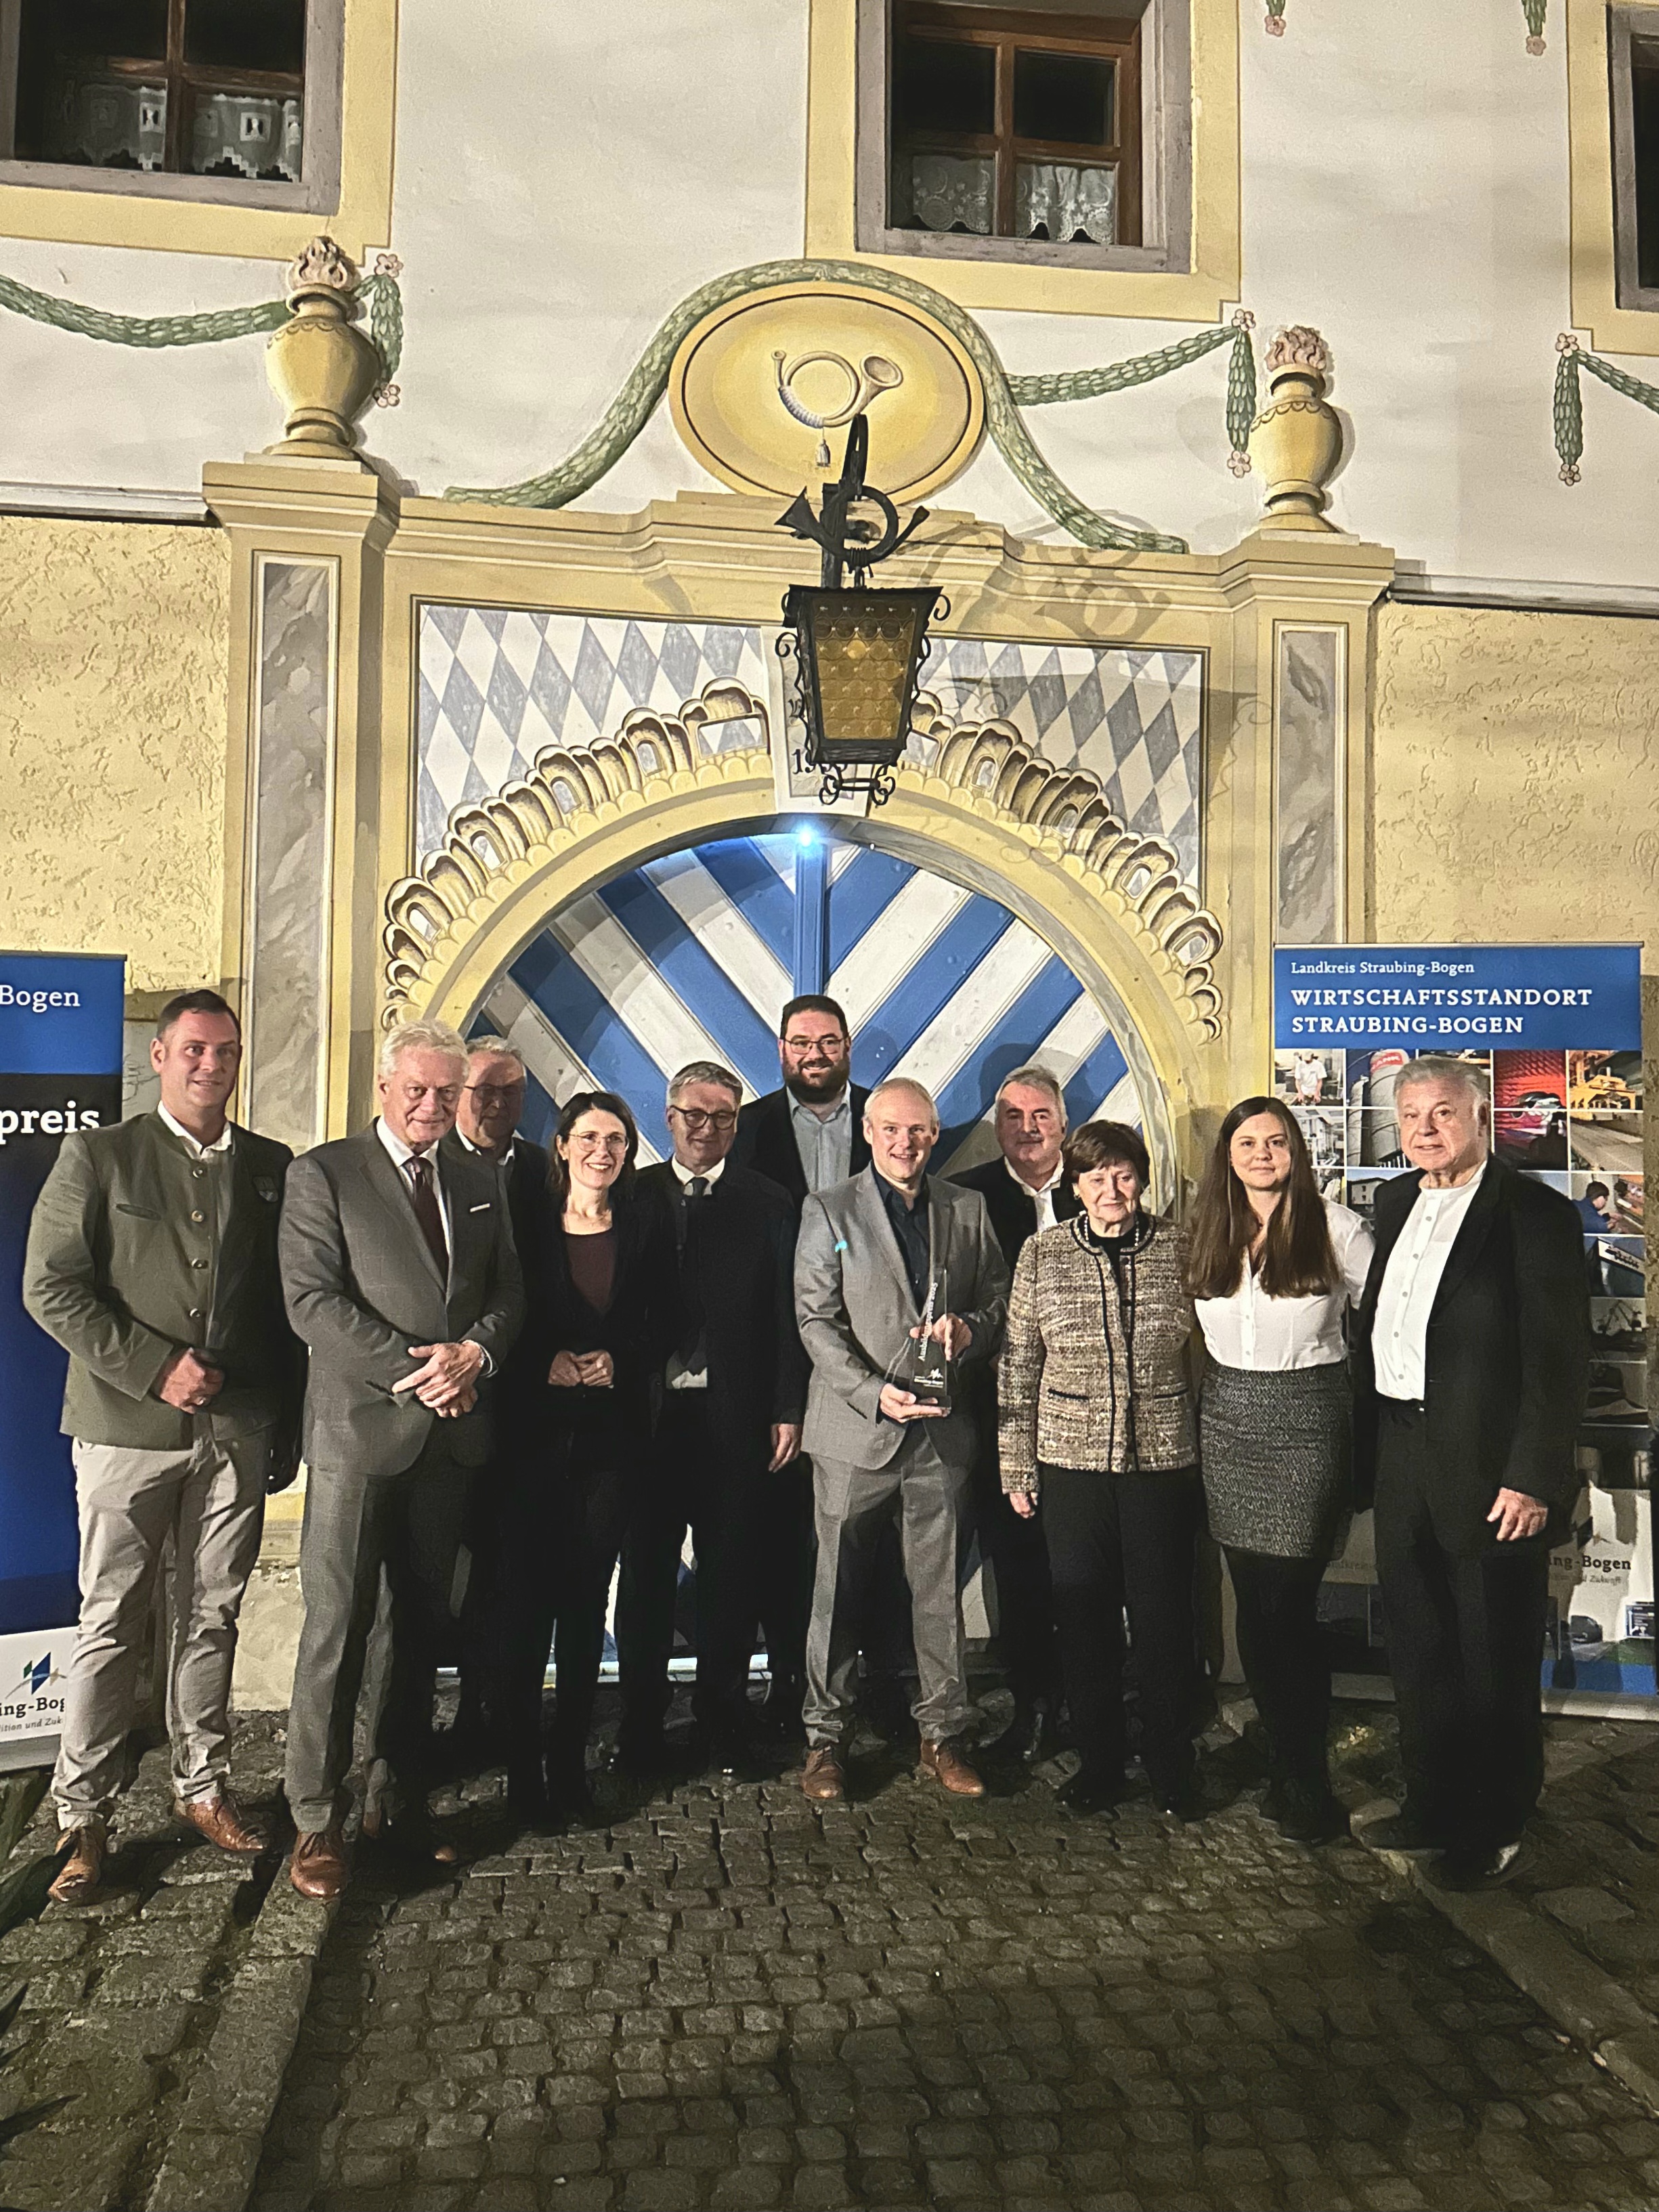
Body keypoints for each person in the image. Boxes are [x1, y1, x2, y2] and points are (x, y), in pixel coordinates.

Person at [23, 991, 302, 1905]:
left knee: (212, 1611)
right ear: (159, 1056)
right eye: (193, 1050)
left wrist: (286, 1423)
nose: (210, 1065)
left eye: (225, 1051)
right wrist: (152, 1368)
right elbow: (49, 1286)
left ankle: (202, 1783)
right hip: (124, 1429)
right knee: (112, 1618)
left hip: (237, 1429)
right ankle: (82, 1813)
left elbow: (284, 1310)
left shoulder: (271, 1166)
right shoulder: (100, 1155)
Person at [278, 1020, 523, 1899]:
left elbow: (507, 1292)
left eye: (445, 1092)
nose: (431, 1105)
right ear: (383, 1087)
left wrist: (476, 1354)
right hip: (359, 1434)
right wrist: (423, 1371)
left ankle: (395, 1798)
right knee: (337, 1626)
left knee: (418, 1627)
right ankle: (316, 1815)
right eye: (415, 1089)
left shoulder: (478, 1177)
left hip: (449, 1438)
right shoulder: (323, 1174)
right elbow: (311, 1300)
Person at [1354, 1056, 1589, 1889]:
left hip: (1491, 1468)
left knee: (1491, 1651)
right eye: (1409, 1115)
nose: (1424, 1130)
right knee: (1417, 1643)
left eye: (1442, 1113)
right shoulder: (1392, 1202)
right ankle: (1430, 1803)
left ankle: (1492, 1823)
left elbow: (1557, 1360)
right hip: (1400, 1449)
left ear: (1479, 1116)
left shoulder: (1532, 1214)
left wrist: (1532, 1476)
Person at [794, 1077, 1009, 1802]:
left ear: (935, 1134)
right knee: (836, 1592)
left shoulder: (967, 1208)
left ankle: (943, 1734)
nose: (904, 1142)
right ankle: (825, 1739)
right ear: (867, 1132)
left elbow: (1000, 1300)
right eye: (890, 1128)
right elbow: (814, 1320)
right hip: (855, 1431)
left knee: (939, 1592)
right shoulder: (828, 1209)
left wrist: (970, 1330)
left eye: (917, 1130)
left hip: (941, 1437)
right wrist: (869, 1393)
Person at [998, 1121, 1201, 1817]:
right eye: (1095, 1177)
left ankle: (1173, 1765)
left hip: (1161, 1462)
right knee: (1083, 1621)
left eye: (1123, 1175)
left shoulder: (1178, 1246)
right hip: (1070, 1465)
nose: (1110, 1189)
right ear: (1075, 1185)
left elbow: (1205, 1349)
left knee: (1163, 1621)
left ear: (1140, 1179)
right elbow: (1018, 1363)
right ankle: (1100, 1764)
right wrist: (1015, 1467)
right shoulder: (1042, 1253)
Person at [1187, 1096, 1374, 1843]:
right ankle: (1279, 1748)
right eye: (1247, 1142)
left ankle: (1305, 1780)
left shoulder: (1336, 1227)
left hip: (1307, 1419)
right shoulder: (1207, 1227)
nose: (1261, 1154)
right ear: (1227, 1155)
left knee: (1287, 1607)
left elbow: (1387, 1319)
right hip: (1228, 1419)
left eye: (1275, 1141)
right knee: (1253, 1604)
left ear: (1295, 1150)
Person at [616, 1062, 806, 1775]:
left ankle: (722, 1720)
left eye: (722, 1117)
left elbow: (789, 1314)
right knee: (645, 1576)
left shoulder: (769, 1200)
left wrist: (787, 1407)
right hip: (648, 1423)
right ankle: (640, 1724)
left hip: (736, 1418)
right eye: (693, 1115)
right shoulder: (632, 1195)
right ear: (668, 1118)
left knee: (731, 1578)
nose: (706, 1129)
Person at [496, 1091, 677, 1826]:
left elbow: (668, 1315)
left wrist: (619, 1359)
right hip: (531, 1442)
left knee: (583, 1606)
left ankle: (569, 1770)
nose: (604, 1151)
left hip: (613, 1443)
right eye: (591, 1137)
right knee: (524, 1611)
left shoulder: (643, 1223)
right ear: (563, 1145)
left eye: (617, 1140)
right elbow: (500, 1312)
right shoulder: (525, 1221)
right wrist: (542, 1363)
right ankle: (521, 1778)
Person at [731, 993, 871, 1732]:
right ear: (781, 1049)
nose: (813, 1054)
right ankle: (791, 1678)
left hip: (873, 1357)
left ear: (848, 1045)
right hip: (772, 1359)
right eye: (800, 1042)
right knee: (782, 1535)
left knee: (868, 1535)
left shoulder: (886, 1122)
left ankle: (873, 1682)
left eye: (827, 1041)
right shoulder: (746, 1130)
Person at [949, 1066, 1079, 1759]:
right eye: (1011, 1116)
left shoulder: (1098, 1185)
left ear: (1063, 1123)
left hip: (1089, 1416)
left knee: (1085, 1566)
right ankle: (1032, 1707)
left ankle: (1087, 1705)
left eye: (1040, 1115)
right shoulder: (964, 1198)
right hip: (996, 1414)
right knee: (1017, 1566)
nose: (1027, 1129)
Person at [440, 1036, 549, 1756]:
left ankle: (507, 1707)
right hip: (447, 1401)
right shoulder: (433, 1168)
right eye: (483, 1090)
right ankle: (449, 1716)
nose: (496, 1104)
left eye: (510, 1092)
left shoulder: (544, 1170)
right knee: (448, 1571)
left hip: (532, 1404)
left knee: (516, 1565)